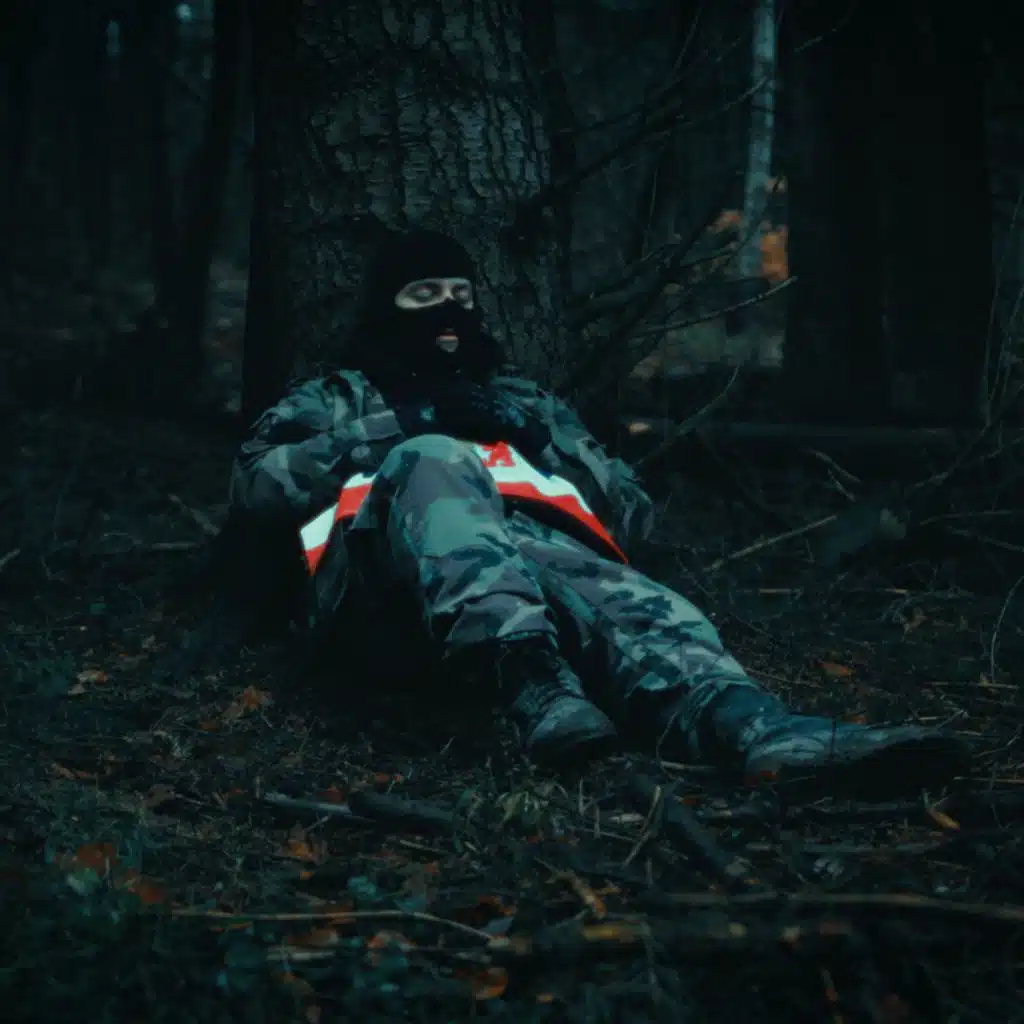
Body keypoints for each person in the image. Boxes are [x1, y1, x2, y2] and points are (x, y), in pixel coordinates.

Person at [228, 228, 969, 797]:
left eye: (460, 292)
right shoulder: (340, 398)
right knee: (433, 458)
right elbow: (256, 489)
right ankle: (529, 681)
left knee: (638, 602)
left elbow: (632, 515)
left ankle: (757, 729)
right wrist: (401, 425)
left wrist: (541, 440)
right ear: (385, 308)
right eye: (424, 294)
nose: (448, 309)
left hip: (547, 591)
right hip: (383, 603)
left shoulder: (524, 402)